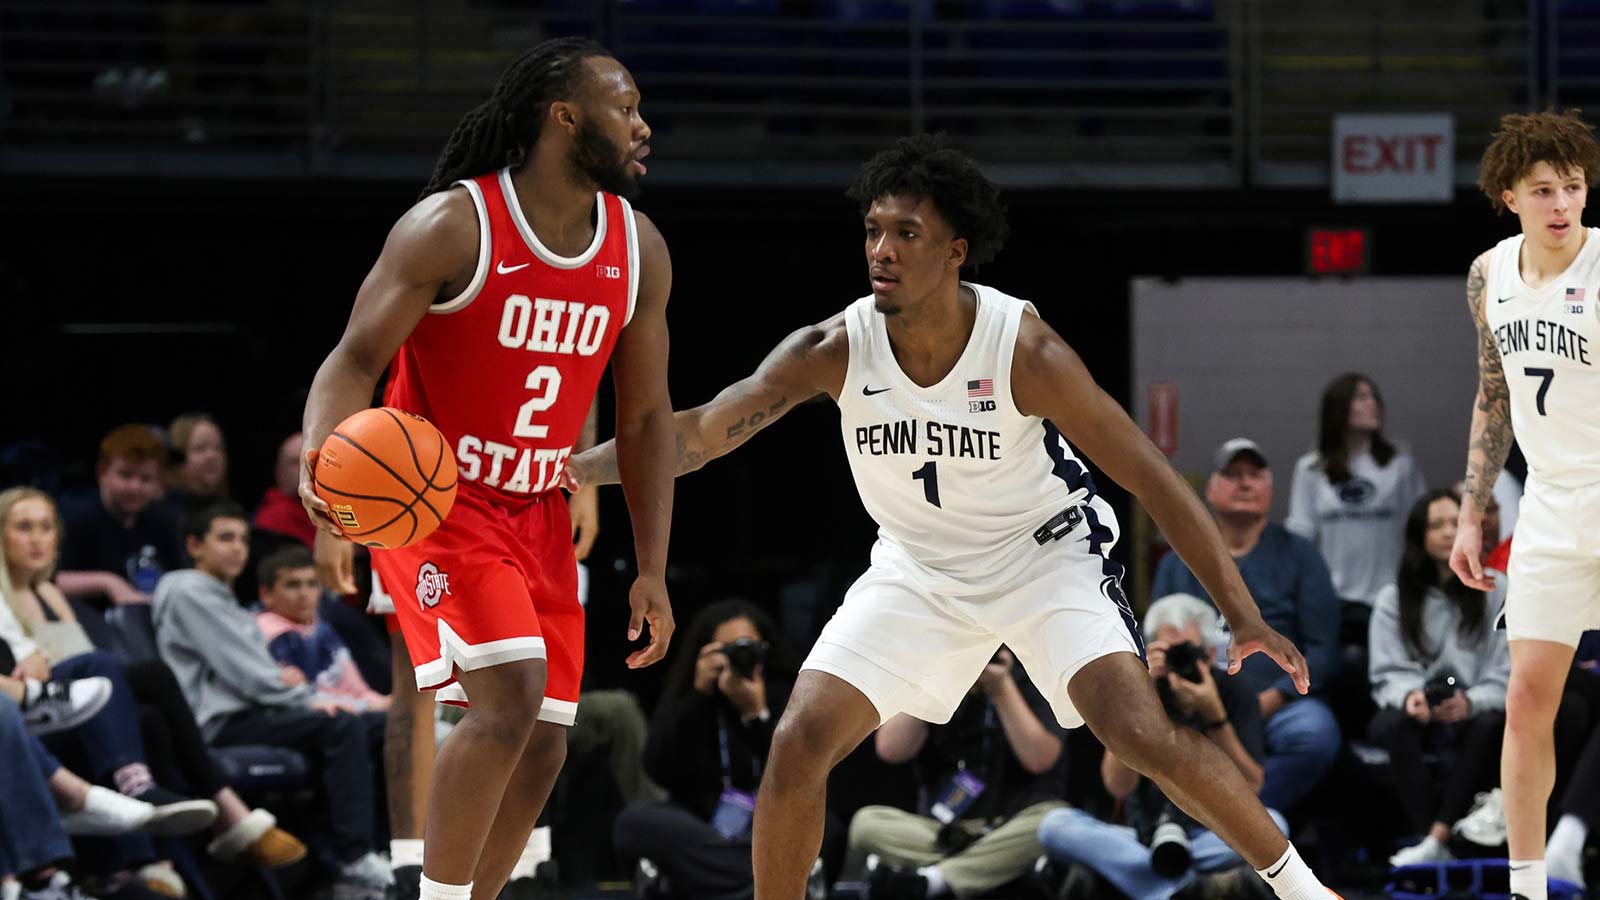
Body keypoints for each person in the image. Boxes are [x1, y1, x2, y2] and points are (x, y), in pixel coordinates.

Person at [569, 135, 1335, 900]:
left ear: (955, 252)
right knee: (799, 739)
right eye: (873, 230)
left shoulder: (1024, 350)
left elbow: (1153, 479)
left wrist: (1242, 614)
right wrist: (570, 469)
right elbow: (697, 435)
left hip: (1044, 556)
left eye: (907, 233)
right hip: (919, 567)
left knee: (1137, 732)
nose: (883, 250)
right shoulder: (836, 346)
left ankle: (1306, 890)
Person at [297, 36, 676, 900]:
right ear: (565, 118)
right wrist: (322, 462)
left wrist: (651, 566)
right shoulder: (453, 226)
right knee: (507, 697)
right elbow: (352, 360)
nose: (643, 126)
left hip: (541, 502)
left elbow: (647, 421)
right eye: (626, 109)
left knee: (544, 738)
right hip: (437, 499)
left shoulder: (638, 250)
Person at [1449, 108, 1600, 900]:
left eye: (1572, 187)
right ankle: (1527, 887)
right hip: (1549, 506)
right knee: (1525, 700)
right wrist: (1473, 514)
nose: (1561, 204)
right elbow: (1494, 393)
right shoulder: (1488, 275)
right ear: (1509, 195)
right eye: (1543, 190)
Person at [0, 487, 304, 870]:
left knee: (150, 719)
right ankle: (216, 812)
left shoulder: (49, 589)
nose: (37, 538)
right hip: (42, 715)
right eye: (23, 527)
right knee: (148, 676)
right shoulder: (2, 596)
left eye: (45, 527)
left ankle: (156, 862)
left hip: (88, 704)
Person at [153, 502, 386, 898]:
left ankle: (383, 849)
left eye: (243, 539)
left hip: (256, 710)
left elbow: (257, 671)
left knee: (378, 727)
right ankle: (354, 860)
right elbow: (248, 674)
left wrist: (287, 687)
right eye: (224, 538)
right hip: (222, 723)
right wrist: (302, 697)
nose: (238, 548)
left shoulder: (222, 596)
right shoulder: (187, 589)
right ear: (194, 545)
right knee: (340, 723)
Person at [1037, 593, 1285, 900]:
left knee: (1276, 824)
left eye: (1188, 651)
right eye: (1167, 651)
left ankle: (1150, 883)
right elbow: (1117, 786)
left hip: (1213, 833)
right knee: (1054, 826)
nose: (1178, 662)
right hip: (1141, 838)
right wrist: (1141, 694)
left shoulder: (1234, 691)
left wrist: (1215, 716)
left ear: (1209, 653)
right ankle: (1182, 888)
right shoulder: (1136, 692)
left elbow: (1252, 786)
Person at [1149, 439, 1342, 814]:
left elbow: (1323, 649)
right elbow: (1156, 639)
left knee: (1314, 733)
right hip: (1194, 699)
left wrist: (1270, 699)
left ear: (1270, 490)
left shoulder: (1300, 554)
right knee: (1141, 726)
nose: (1245, 483)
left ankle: (1234, 821)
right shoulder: (1176, 563)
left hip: (1276, 703)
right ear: (1211, 489)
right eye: (1233, 474)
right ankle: (1195, 823)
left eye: (1255, 475)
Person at [613, 601, 814, 900]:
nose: (739, 657)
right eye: (726, 649)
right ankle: (758, 884)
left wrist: (757, 715)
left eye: (747, 647)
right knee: (635, 821)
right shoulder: (693, 696)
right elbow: (658, 769)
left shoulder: (786, 691)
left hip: (771, 824)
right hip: (703, 826)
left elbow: (803, 775)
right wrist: (699, 695)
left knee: (826, 828)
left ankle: (724, 883)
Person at [848, 646, 1067, 900]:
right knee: (866, 824)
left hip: (1010, 826)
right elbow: (890, 749)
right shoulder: (937, 678)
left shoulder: (1037, 674)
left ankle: (930, 879)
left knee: (1054, 822)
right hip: (938, 831)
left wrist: (1002, 687)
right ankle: (982, 868)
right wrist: (936, 680)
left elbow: (1040, 759)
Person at [1371, 490, 1511, 866]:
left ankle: (1440, 836)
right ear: (1419, 535)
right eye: (1437, 525)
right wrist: (1409, 696)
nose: (1449, 533)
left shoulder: (1496, 588)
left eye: (1456, 523)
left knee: (1488, 725)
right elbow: (1386, 670)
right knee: (1391, 724)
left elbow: (1507, 668)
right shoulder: (1393, 597)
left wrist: (1473, 700)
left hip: (1478, 703)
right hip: (1418, 703)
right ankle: (1428, 840)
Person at [1287, 373, 1427, 614]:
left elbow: (1419, 527)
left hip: (1389, 597)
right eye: (1361, 397)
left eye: (1374, 397)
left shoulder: (1398, 464)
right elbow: (1301, 535)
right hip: (1332, 598)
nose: (1372, 403)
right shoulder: (1311, 469)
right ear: (1339, 407)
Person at [56, 425, 184, 610]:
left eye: (146, 479)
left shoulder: (165, 522)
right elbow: (48, 580)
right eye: (125, 475)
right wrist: (107, 583)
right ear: (102, 473)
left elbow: (178, 579)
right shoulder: (73, 518)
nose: (135, 487)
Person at [256, 546, 390, 714]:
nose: (304, 593)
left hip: (349, 712)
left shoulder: (319, 628)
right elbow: (305, 697)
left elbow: (358, 690)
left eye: (312, 584)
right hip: (313, 717)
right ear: (266, 594)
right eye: (293, 585)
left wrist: (381, 702)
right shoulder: (265, 632)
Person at [163, 413, 231, 510]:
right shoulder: (162, 514)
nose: (212, 456)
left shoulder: (232, 511)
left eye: (219, 448)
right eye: (201, 448)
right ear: (177, 457)